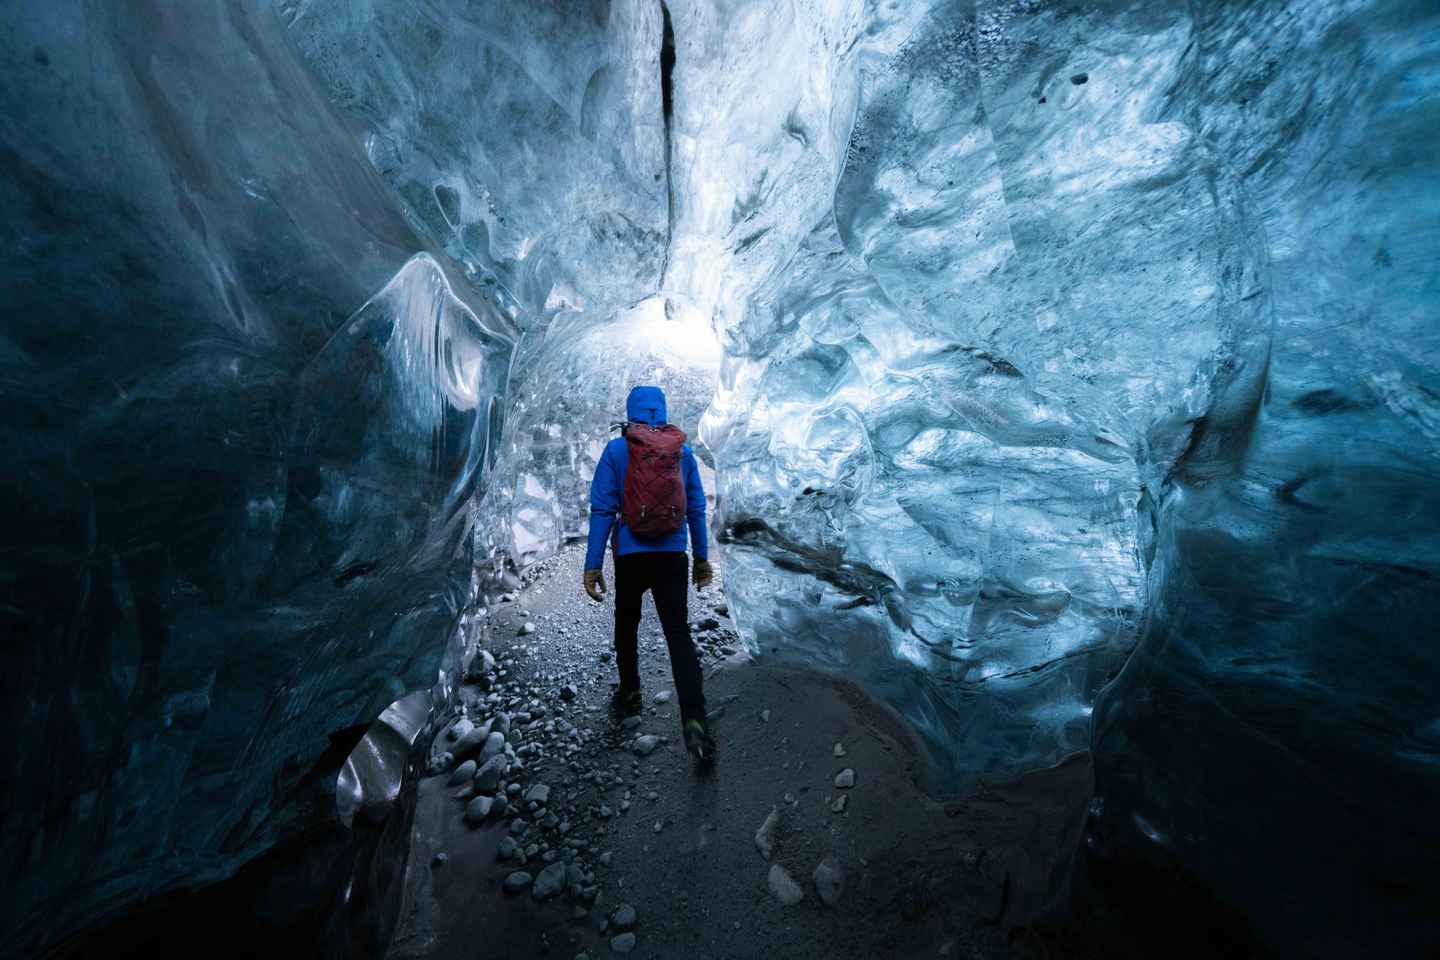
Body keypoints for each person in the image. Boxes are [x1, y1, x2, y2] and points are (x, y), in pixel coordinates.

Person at [583, 385, 716, 760]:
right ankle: (694, 720)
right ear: (662, 411)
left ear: (631, 412)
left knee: (627, 623)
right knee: (678, 634)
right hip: (673, 555)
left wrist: (593, 564)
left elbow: (603, 510)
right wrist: (702, 558)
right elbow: (697, 509)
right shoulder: (681, 452)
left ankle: (630, 690)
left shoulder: (616, 450)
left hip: (631, 556)